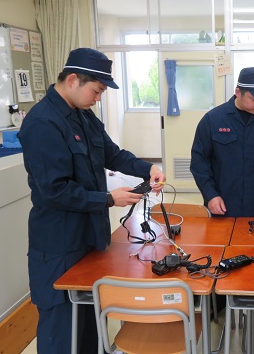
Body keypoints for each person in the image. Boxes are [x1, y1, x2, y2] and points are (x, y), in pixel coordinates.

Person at [18, 48, 165, 354]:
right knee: (62, 329)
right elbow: (54, 190)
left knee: (90, 324)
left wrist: (146, 168)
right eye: (96, 91)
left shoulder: (84, 117)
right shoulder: (43, 123)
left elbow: (112, 154)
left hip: (90, 237)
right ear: (73, 80)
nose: (98, 98)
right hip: (59, 243)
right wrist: (108, 198)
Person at [190, 67, 254, 217]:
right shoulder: (212, 120)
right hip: (222, 202)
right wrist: (210, 195)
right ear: (238, 92)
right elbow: (199, 162)